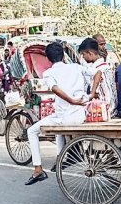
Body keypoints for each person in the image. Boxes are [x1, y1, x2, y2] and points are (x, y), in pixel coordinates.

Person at [25, 41, 88, 186]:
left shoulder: (49, 73)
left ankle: (38, 169)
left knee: (32, 131)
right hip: (80, 115)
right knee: (57, 121)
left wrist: (71, 100)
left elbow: (54, 88)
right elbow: (97, 73)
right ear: (63, 56)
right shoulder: (76, 67)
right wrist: (91, 94)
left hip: (66, 118)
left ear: (48, 59)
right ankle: (60, 158)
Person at [79, 38, 117, 117]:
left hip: (104, 111)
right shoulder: (107, 67)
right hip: (113, 108)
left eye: (83, 54)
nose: (83, 57)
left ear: (90, 53)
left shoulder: (96, 70)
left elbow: (97, 94)